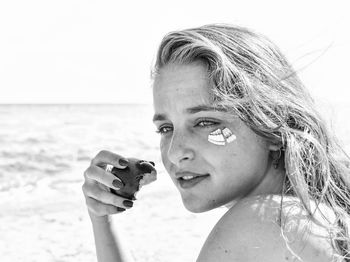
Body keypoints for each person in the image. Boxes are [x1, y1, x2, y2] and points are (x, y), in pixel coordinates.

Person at [82, 24, 350, 261]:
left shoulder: (262, 221)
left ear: (272, 125)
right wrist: (102, 220)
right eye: (166, 128)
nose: (175, 153)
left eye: (205, 122)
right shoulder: (311, 220)